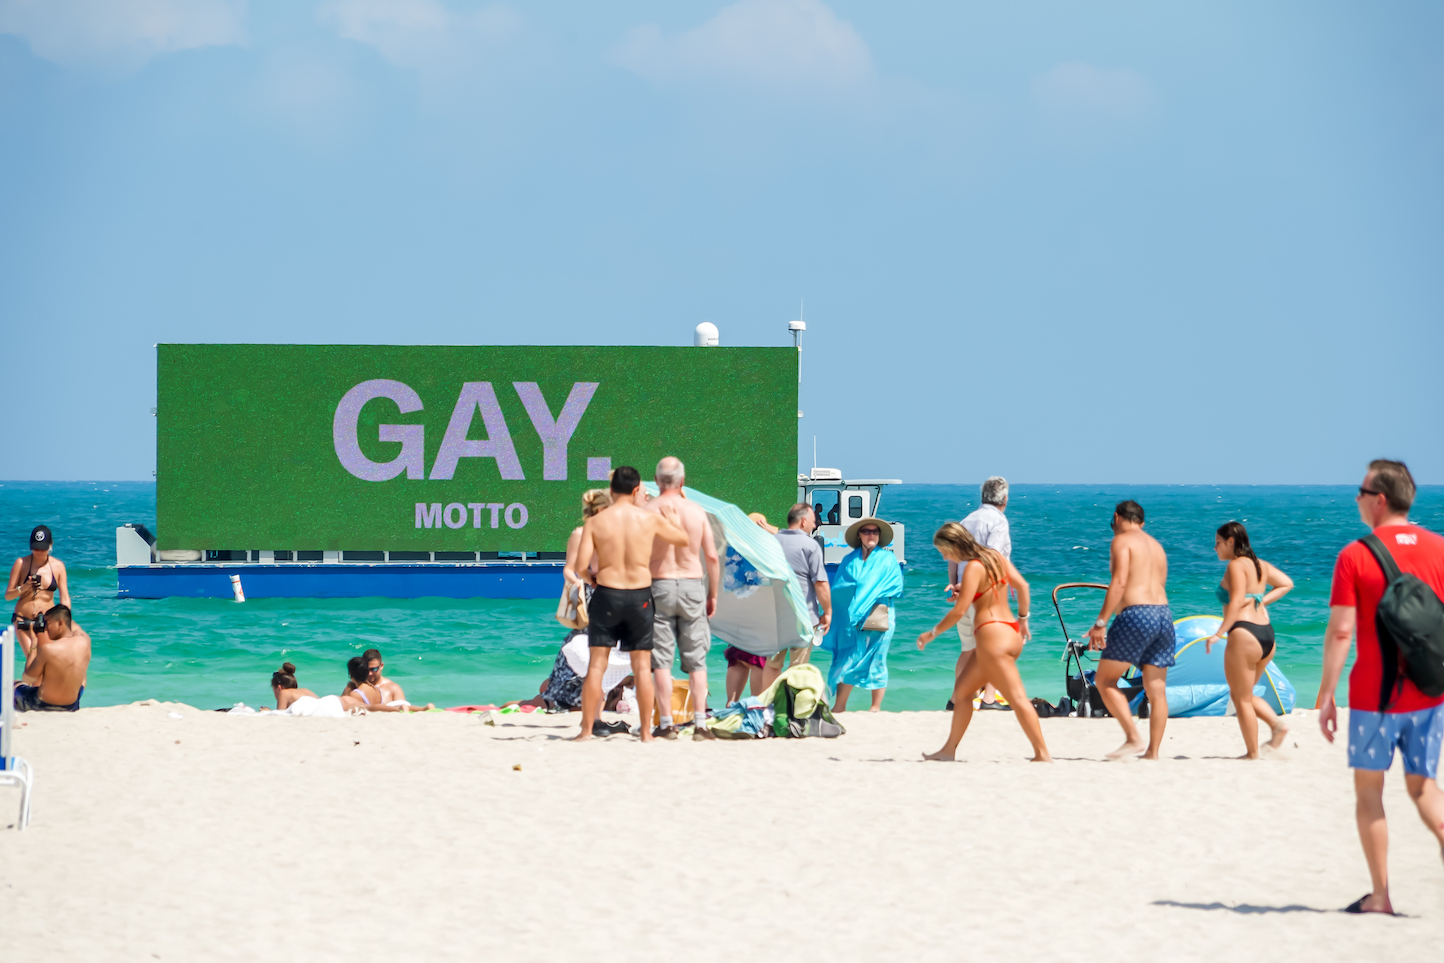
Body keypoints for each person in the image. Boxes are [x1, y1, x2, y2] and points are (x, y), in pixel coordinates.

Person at [1317, 459, 1444, 916]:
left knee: (1370, 792)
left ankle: (1381, 896)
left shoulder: (1355, 555)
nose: (1356, 498)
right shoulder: (1440, 549)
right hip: (1431, 693)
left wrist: (1326, 694)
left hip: (1375, 700)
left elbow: (1340, 632)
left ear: (1380, 499)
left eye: (1361, 490)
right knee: (1424, 788)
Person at [571, 465, 689, 743]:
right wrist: (672, 519)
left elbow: (580, 566)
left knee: (597, 666)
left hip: (607, 594)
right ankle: (646, 733)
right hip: (640, 596)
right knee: (641, 666)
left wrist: (594, 581)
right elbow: (682, 540)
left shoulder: (596, 522)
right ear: (637, 489)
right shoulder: (647, 519)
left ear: (611, 490)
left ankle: (586, 731)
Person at [918, 523, 1050, 762]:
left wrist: (932, 633)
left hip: (992, 638)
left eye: (944, 552)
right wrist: (1023, 620)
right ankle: (948, 750)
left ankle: (1043, 754)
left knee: (1018, 698)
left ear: (955, 546)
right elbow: (1023, 587)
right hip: (1009, 631)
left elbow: (959, 612)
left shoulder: (973, 567)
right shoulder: (995, 557)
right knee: (964, 691)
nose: (944, 556)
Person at [1085, 500, 1173, 760]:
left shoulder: (1121, 541)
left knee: (1104, 680)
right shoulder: (1157, 547)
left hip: (1136, 614)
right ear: (1142, 522)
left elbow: (1120, 581)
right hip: (1164, 615)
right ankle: (1153, 752)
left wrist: (1101, 622)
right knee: (1156, 689)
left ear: (1116, 517)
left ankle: (1133, 737)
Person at [644, 457, 721, 742]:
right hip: (691, 585)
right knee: (697, 660)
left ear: (657, 479)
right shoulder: (695, 510)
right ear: (682, 481)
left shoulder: (648, 510)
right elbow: (711, 556)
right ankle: (700, 724)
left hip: (658, 585)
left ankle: (666, 724)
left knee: (661, 661)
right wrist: (713, 593)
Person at [1203, 521, 1294, 758]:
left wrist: (1218, 633)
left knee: (1241, 699)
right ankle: (1277, 725)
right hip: (1266, 634)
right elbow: (1286, 584)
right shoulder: (1259, 565)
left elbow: (1234, 602)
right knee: (1244, 695)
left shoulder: (1235, 566)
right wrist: (1261, 600)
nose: (1215, 548)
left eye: (1218, 542)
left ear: (1231, 542)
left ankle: (1252, 754)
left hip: (1244, 634)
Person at [821, 518, 903, 712]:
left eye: (875, 531)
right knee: (848, 658)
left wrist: (867, 595)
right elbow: (839, 589)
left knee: (877, 658)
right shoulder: (849, 559)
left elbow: (895, 585)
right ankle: (840, 706)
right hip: (852, 620)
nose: (871, 534)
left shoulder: (888, 559)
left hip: (879, 614)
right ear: (859, 535)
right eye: (866, 531)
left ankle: (875, 707)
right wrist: (829, 611)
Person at [946, 477, 1012, 710]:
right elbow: (992, 556)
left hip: (964, 594)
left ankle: (956, 700)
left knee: (968, 649)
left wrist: (955, 585)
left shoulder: (966, 520)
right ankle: (989, 700)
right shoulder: (998, 521)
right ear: (1004, 499)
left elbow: (953, 558)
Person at [763, 502, 833, 690]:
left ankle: (767, 706)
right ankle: (790, 709)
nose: (815, 525)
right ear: (803, 522)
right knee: (797, 667)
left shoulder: (772, 541)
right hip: (802, 617)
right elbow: (820, 583)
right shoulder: (810, 545)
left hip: (774, 616)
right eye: (813, 521)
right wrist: (827, 611)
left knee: (771, 665)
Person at [6, 525, 71, 662]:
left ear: (50, 545)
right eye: (36, 548)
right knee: (33, 661)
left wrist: (65, 624)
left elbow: (65, 599)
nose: (39, 552)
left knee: (46, 664)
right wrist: (24, 587)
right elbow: (8, 596)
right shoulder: (21, 563)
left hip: (46, 623)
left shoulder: (58, 567)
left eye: (43, 548)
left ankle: (30, 684)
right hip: (23, 621)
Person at [13, 604, 89, 712]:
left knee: (14, 684)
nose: (46, 628)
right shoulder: (85, 641)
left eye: (47, 623)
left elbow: (28, 678)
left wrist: (34, 643)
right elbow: (74, 626)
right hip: (72, 705)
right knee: (83, 679)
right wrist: (54, 614)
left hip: (43, 705)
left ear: (60, 622)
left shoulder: (48, 650)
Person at [346, 648, 434, 711]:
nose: (370, 673)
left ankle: (424, 708)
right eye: (367, 669)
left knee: (400, 706)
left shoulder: (392, 687)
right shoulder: (354, 685)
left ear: (381, 666)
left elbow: (405, 707)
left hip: (391, 710)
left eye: (374, 669)